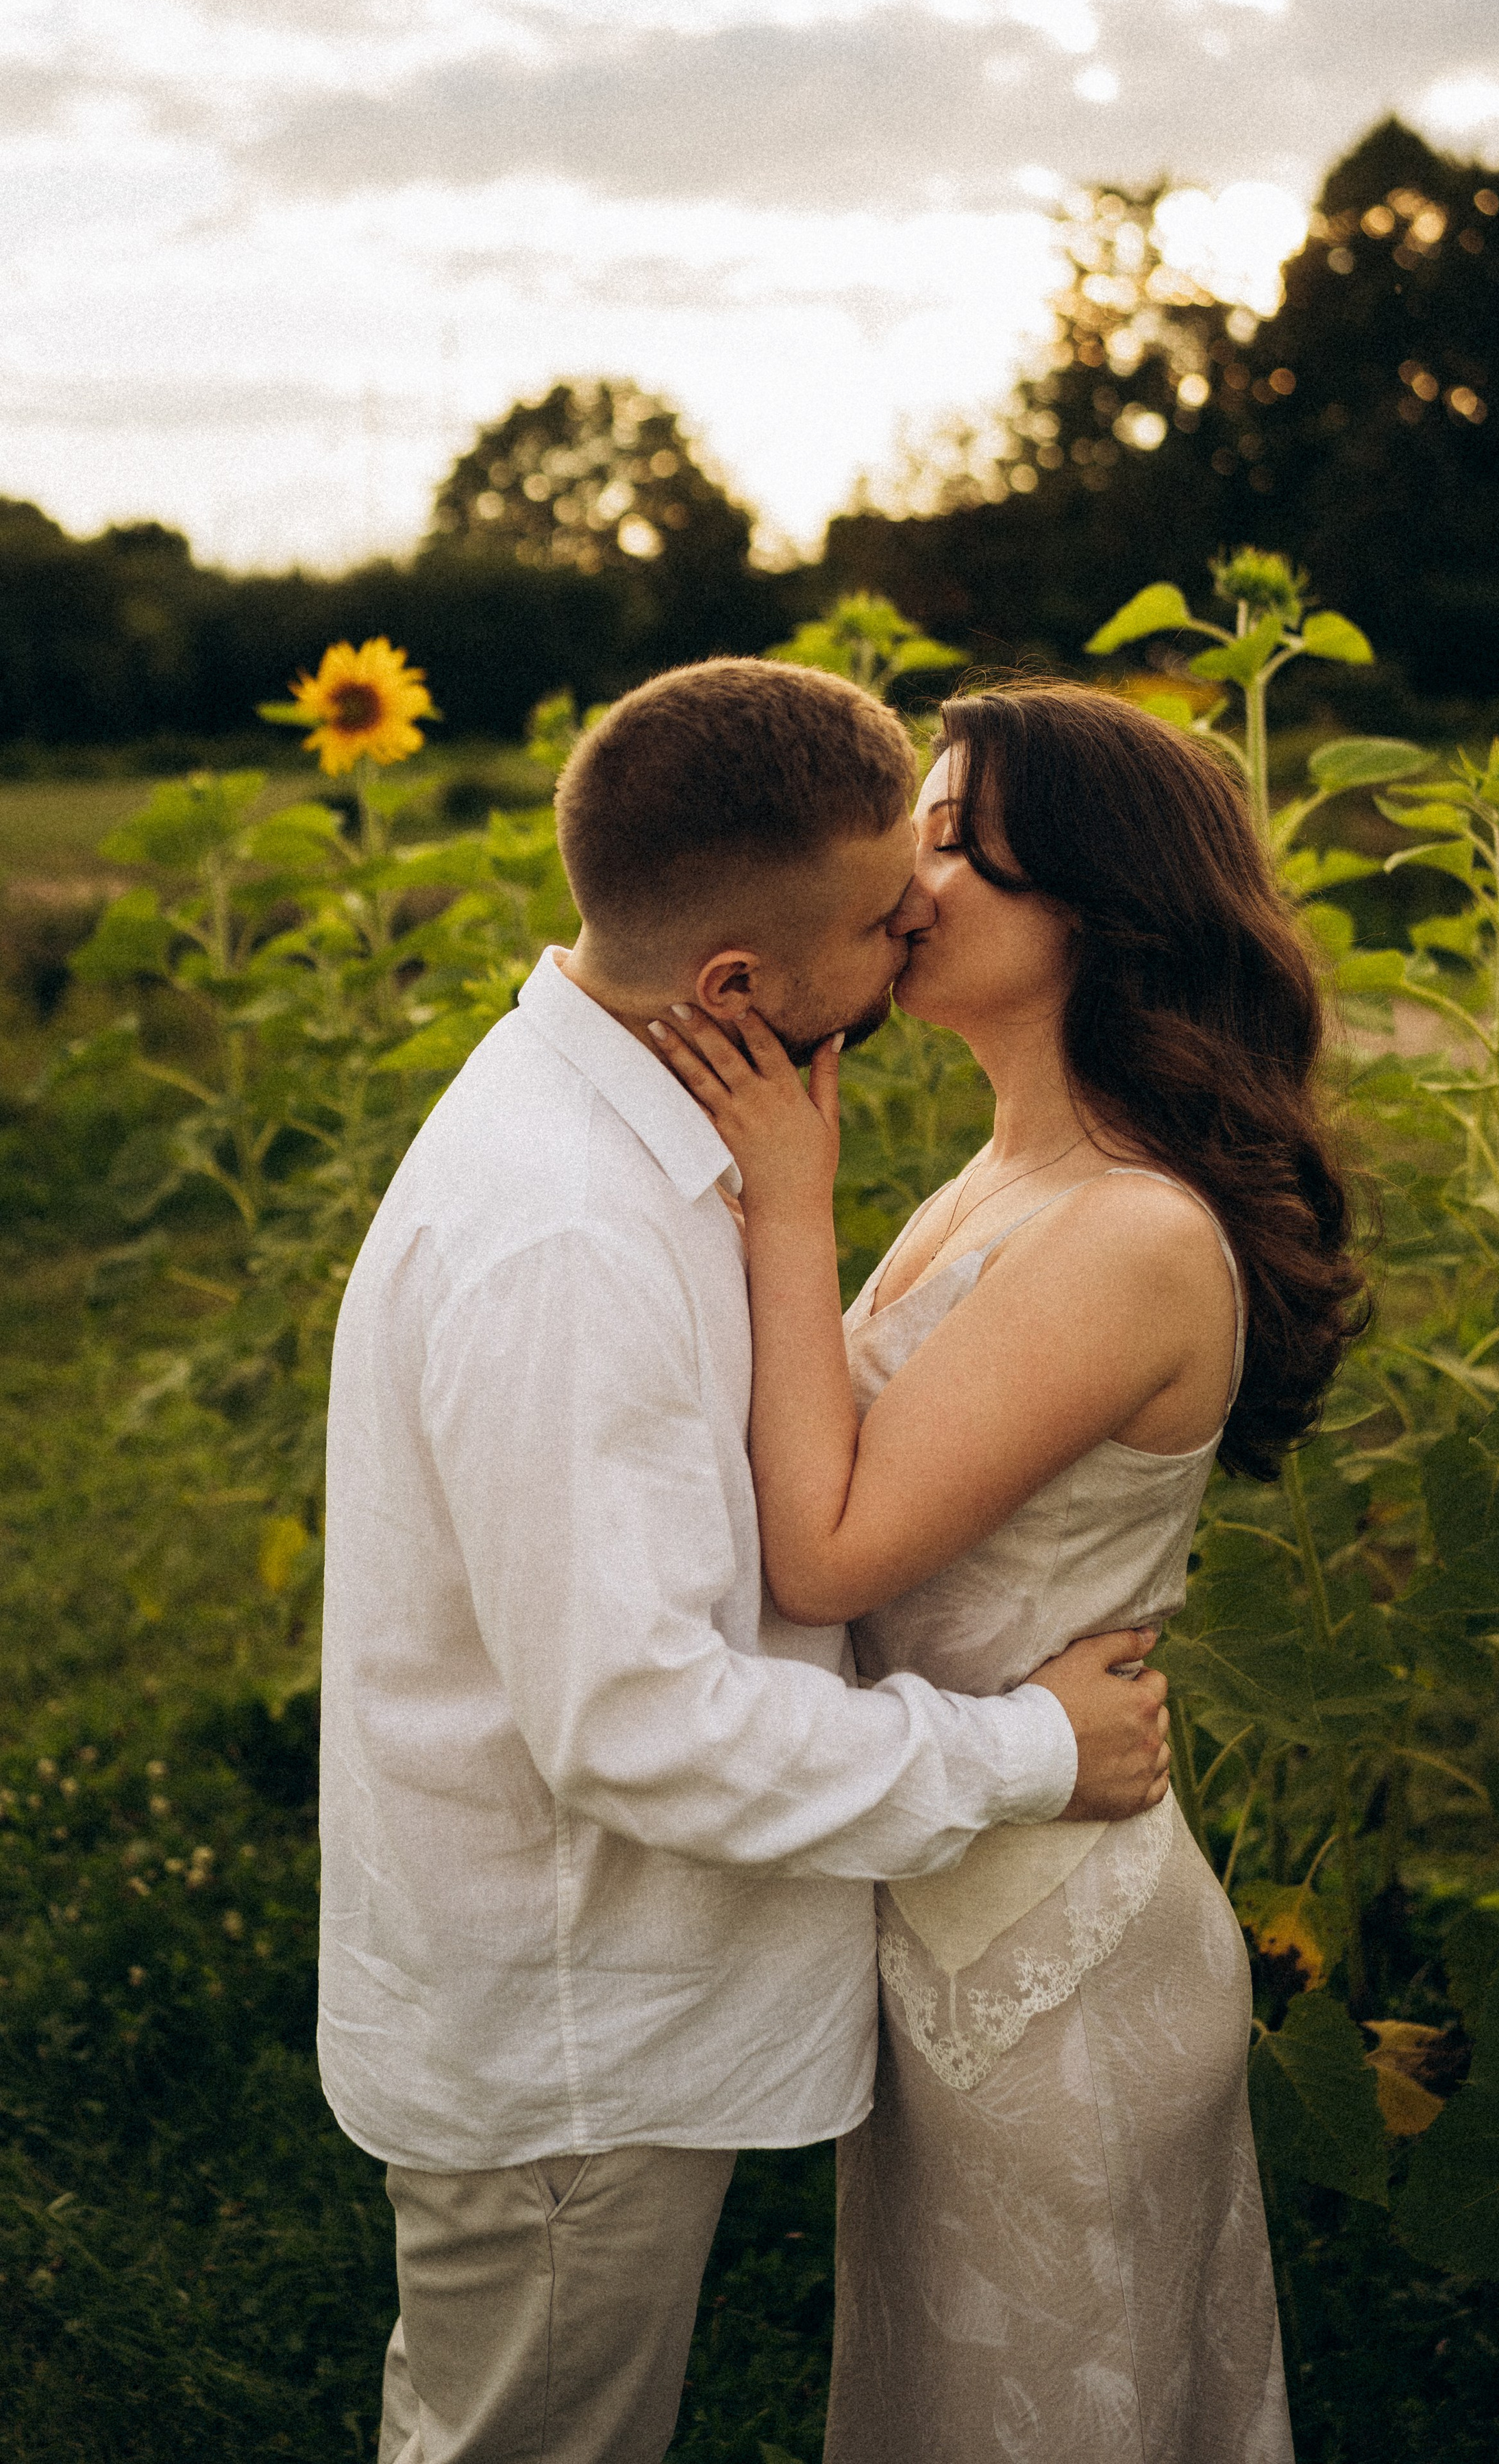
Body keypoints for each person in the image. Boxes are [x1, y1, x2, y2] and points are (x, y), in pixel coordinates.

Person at [317, 658, 1175, 2464]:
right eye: (882, 920)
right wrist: (1026, 1752)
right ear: (734, 986)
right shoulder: (568, 1238)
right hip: (570, 2031)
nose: (913, 935)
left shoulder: (641, 1130)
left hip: (601, 1990)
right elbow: (636, 1722)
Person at [652, 679, 1368, 2464]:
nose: (909, 879)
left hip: (1060, 1968)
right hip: (963, 1893)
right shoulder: (996, 1178)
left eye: (960, 843)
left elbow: (822, 1553)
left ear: (1100, 916)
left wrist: (788, 1199)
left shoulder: (1125, 1232)